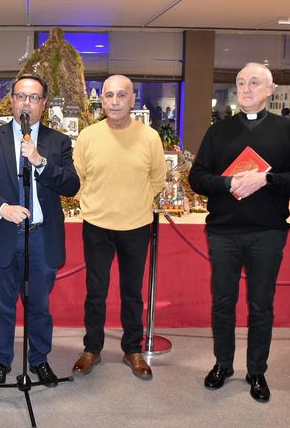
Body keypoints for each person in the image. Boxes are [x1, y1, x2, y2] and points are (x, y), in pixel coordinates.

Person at [188, 63, 290, 402]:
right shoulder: (218, 131)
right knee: (223, 303)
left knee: (261, 305)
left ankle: (256, 371)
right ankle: (223, 364)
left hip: (268, 232)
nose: (246, 88)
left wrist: (265, 179)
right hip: (224, 232)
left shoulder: (287, 130)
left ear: (270, 90)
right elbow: (197, 178)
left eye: (254, 82)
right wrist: (228, 183)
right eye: (241, 82)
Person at [0, 74, 80, 386]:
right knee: (2, 307)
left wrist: (40, 162)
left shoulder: (58, 142)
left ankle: (39, 360)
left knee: (39, 307)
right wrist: (3, 208)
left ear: (43, 104)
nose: (26, 103)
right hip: (3, 234)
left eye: (33, 97)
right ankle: (1, 361)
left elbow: (72, 185)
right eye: (21, 96)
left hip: (41, 237)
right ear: (12, 101)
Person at [71, 74, 166, 380]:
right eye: (109, 95)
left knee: (132, 292)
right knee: (95, 291)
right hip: (96, 224)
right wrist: (95, 201)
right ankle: (92, 348)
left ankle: (132, 349)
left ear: (132, 99)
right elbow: (77, 178)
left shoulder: (149, 137)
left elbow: (158, 178)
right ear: (102, 100)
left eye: (121, 95)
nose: (114, 101)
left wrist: (137, 202)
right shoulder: (88, 136)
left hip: (136, 225)